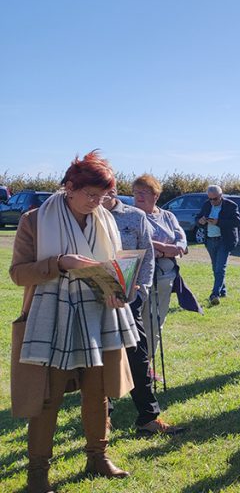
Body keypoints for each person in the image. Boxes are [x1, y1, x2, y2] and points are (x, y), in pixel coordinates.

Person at [9, 151, 140, 492]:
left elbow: (110, 267)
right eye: (90, 195)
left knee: (98, 392)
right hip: (51, 315)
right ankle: (38, 473)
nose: (96, 203)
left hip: (99, 313)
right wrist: (59, 263)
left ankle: (98, 456)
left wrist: (119, 288)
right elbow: (18, 275)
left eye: (103, 196)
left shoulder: (104, 220)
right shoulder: (35, 220)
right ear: (69, 187)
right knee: (47, 396)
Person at [102, 189, 187, 436]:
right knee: (102, 359)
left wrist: (142, 292)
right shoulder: (88, 215)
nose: (103, 195)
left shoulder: (134, 216)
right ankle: (103, 415)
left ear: (114, 189)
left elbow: (148, 256)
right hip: (96, 301)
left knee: (138, 357)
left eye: (108, 189)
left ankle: (148, 419)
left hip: (130, 300)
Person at [132, 174, 187, 366]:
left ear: (156, 195)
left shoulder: (168, 216)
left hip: (165, 276)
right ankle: (133, 367)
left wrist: (174, 247)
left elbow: (181, 241)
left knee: (155, 323)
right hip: (138, 277)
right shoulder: (131, 215)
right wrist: (166, 248)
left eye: (144, 192)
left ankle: (147, 364)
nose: (139, 196)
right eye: (136, 192)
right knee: (134, 324)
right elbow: (139, 243)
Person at [196, 184, 240, 305]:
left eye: (215, 199)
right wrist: (200, 221)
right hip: (210, 240)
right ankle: (223, 290)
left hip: (224, 240)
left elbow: (236, 222)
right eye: (210, 199)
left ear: (221, 196)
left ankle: (214, 294)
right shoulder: (206, 205)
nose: (212, 201)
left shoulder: (231, 205)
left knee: (220, 268)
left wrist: (218, 222)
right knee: (216, 268)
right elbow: (198, 219)